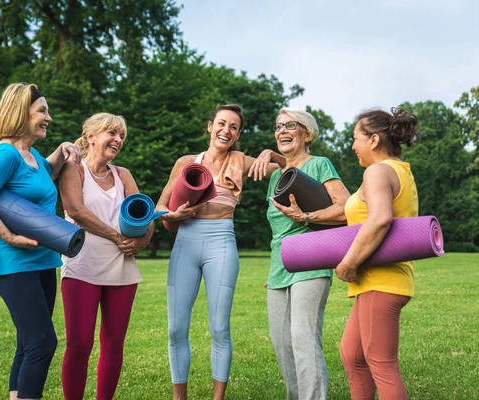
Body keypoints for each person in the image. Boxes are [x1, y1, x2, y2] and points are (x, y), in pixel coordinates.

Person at [0, 83, 82, 400]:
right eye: (42, 111)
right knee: (43, 342)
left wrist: (63, 150)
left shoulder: (32, 155)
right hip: (12, 262)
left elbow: (47, 173)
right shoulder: (6, 154)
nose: (49, 117)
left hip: (42, 260)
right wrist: (8, 235)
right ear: (20, 113)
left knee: (28, 343)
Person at [156, 104, 284, 400]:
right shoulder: (186, 162)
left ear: (238, 134)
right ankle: (180, 397)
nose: (227, 130)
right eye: (222, 124)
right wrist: (171, 216)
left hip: (221, 242)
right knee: (176, 328)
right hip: (185, 241)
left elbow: (286, 167)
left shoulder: (240, 160)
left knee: (219, 328)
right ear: (210, 126)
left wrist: (271, 154)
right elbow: (160, 207)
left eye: (234, 127)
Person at [57, 113, 152, 399]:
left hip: (122, 269)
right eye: (112, 133)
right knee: (80, 343)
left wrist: (142, 240)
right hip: (82, 266)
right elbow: (76, 210)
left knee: (114, 344)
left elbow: (145, 214)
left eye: (122, 135)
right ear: (91, 137)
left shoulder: (124, 175)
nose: (118, 140)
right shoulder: (74, 169)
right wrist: (115, 235)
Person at [335, 107, 420, 400]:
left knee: (381, 364)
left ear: (373, 140)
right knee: (352, 355)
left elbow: (380, 219)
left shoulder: (378, 171)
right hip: (375, 282)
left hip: (382, 280)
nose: (352, 145)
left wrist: (349, 262)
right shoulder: (398, 170)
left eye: (355, 138)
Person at [266, 108, 350, 400]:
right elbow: (278, 232)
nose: (282, 131)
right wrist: (275, 267)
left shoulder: (319, 164)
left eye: (291, 125)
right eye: (278, 126)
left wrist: (308, 216)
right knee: (282, 343)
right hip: (280, 267)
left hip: (312, 262)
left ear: (307, 133)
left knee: (303, 339)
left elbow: (347, 207)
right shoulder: (276, 176)